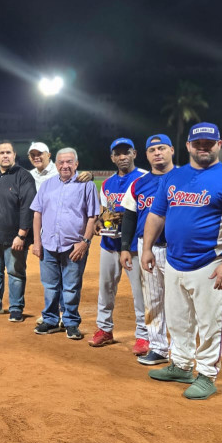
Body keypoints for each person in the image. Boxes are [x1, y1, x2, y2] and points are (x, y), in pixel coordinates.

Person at [142, 122, 222, 400]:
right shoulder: (174, 177)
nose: (203, 147)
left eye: (209, 143)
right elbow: (157, 215)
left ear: (219, 144)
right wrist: (146, 249)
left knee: (210, 324)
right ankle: (181, 365)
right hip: (174, 261)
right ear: (188, 146)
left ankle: (206, 374)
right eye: (198, 143)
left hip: (211, 264)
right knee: (179, 320)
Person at [31, 148, 100, 340]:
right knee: (50, 286)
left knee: (71, 287)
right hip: (48, 244)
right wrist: (37, 242)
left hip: (74, 246)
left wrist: (85, 242)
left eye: (69, 162)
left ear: (76, 164)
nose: (65, 166)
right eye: (61, 162)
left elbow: (93, 216)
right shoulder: (47, 185)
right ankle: (51, 320)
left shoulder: (86, 185)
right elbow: (37, 214)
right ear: (56, 164)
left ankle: (70, 322)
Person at [120, 134, 175, 366]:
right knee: (153, 300)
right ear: (146, 155)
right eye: (152, 150)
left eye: (161, 148)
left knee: (180, 302)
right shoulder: (138, 183)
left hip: (176, 247)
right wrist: (125, 248)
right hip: (147, 247)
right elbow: (129, 218)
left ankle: (182, 352)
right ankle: (159, 348)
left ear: (172, 150)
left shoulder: (184, 179)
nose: (157, 153)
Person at [89, 138, 148, 352]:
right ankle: (104, 329)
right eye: (118, 153)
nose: (123, 157)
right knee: (105, 289)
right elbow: (104, 212)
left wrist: (124, 216)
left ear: (134, 154)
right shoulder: (107, 184)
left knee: (140, 292)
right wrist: (99, 222)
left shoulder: (144, 178)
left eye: (126, 152)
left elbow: (148, 211)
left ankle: (144, 335)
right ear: (112, 157)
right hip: (109, 243)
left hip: (134, 246)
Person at [0, 141, 37, 322]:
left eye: (8, 152)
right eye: (2, 152)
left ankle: (16, 307)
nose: (5, 155)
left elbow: (28, 208)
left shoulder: (24, 176)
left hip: (14, 238)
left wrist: (21, 235)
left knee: (15, 273)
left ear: (14, 155)